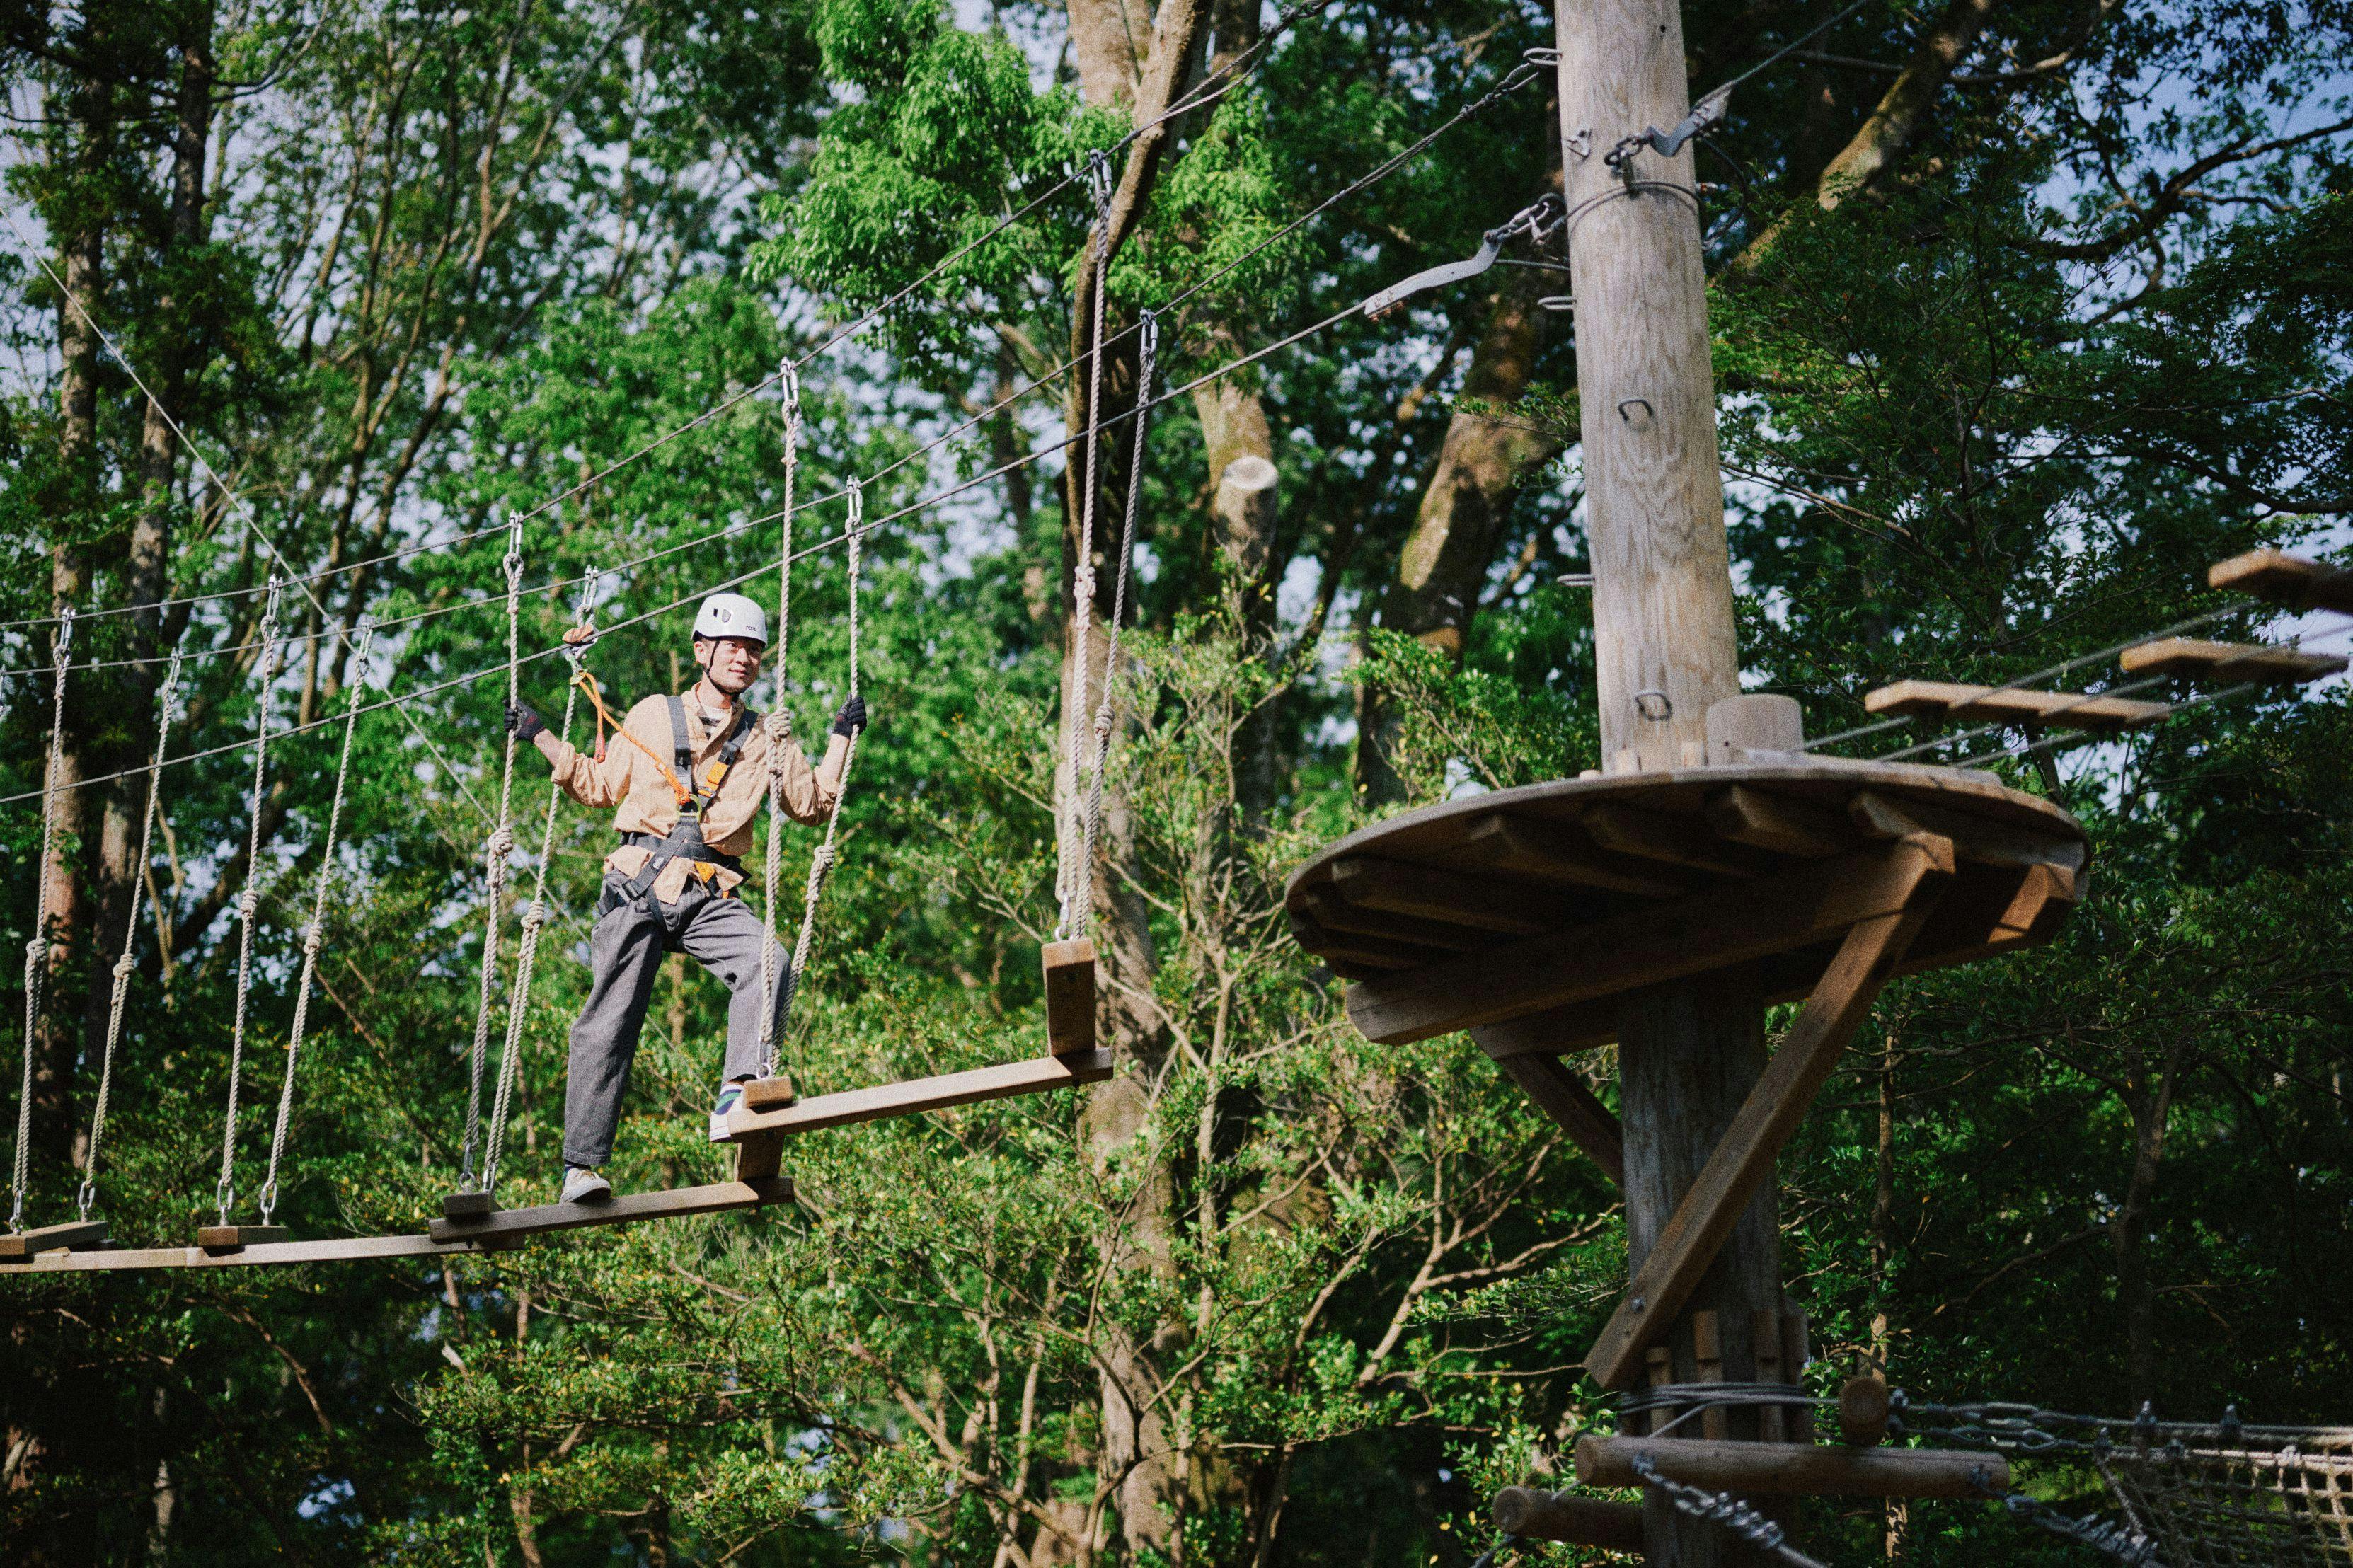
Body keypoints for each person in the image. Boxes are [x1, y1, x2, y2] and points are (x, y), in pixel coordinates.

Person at [506, 591, 865, 1204]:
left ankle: (737, 1092)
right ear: (703, 651)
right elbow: (596, 785)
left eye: (755, 650)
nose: (745, 659)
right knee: (608, 1021)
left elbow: (812, 807)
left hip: (710, 891)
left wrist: (840, 737)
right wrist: (539, 735)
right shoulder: (651, 714)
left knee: (769, 962)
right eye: (734, 647)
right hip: (638, 883)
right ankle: (582, 1168)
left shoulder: (764, 737)